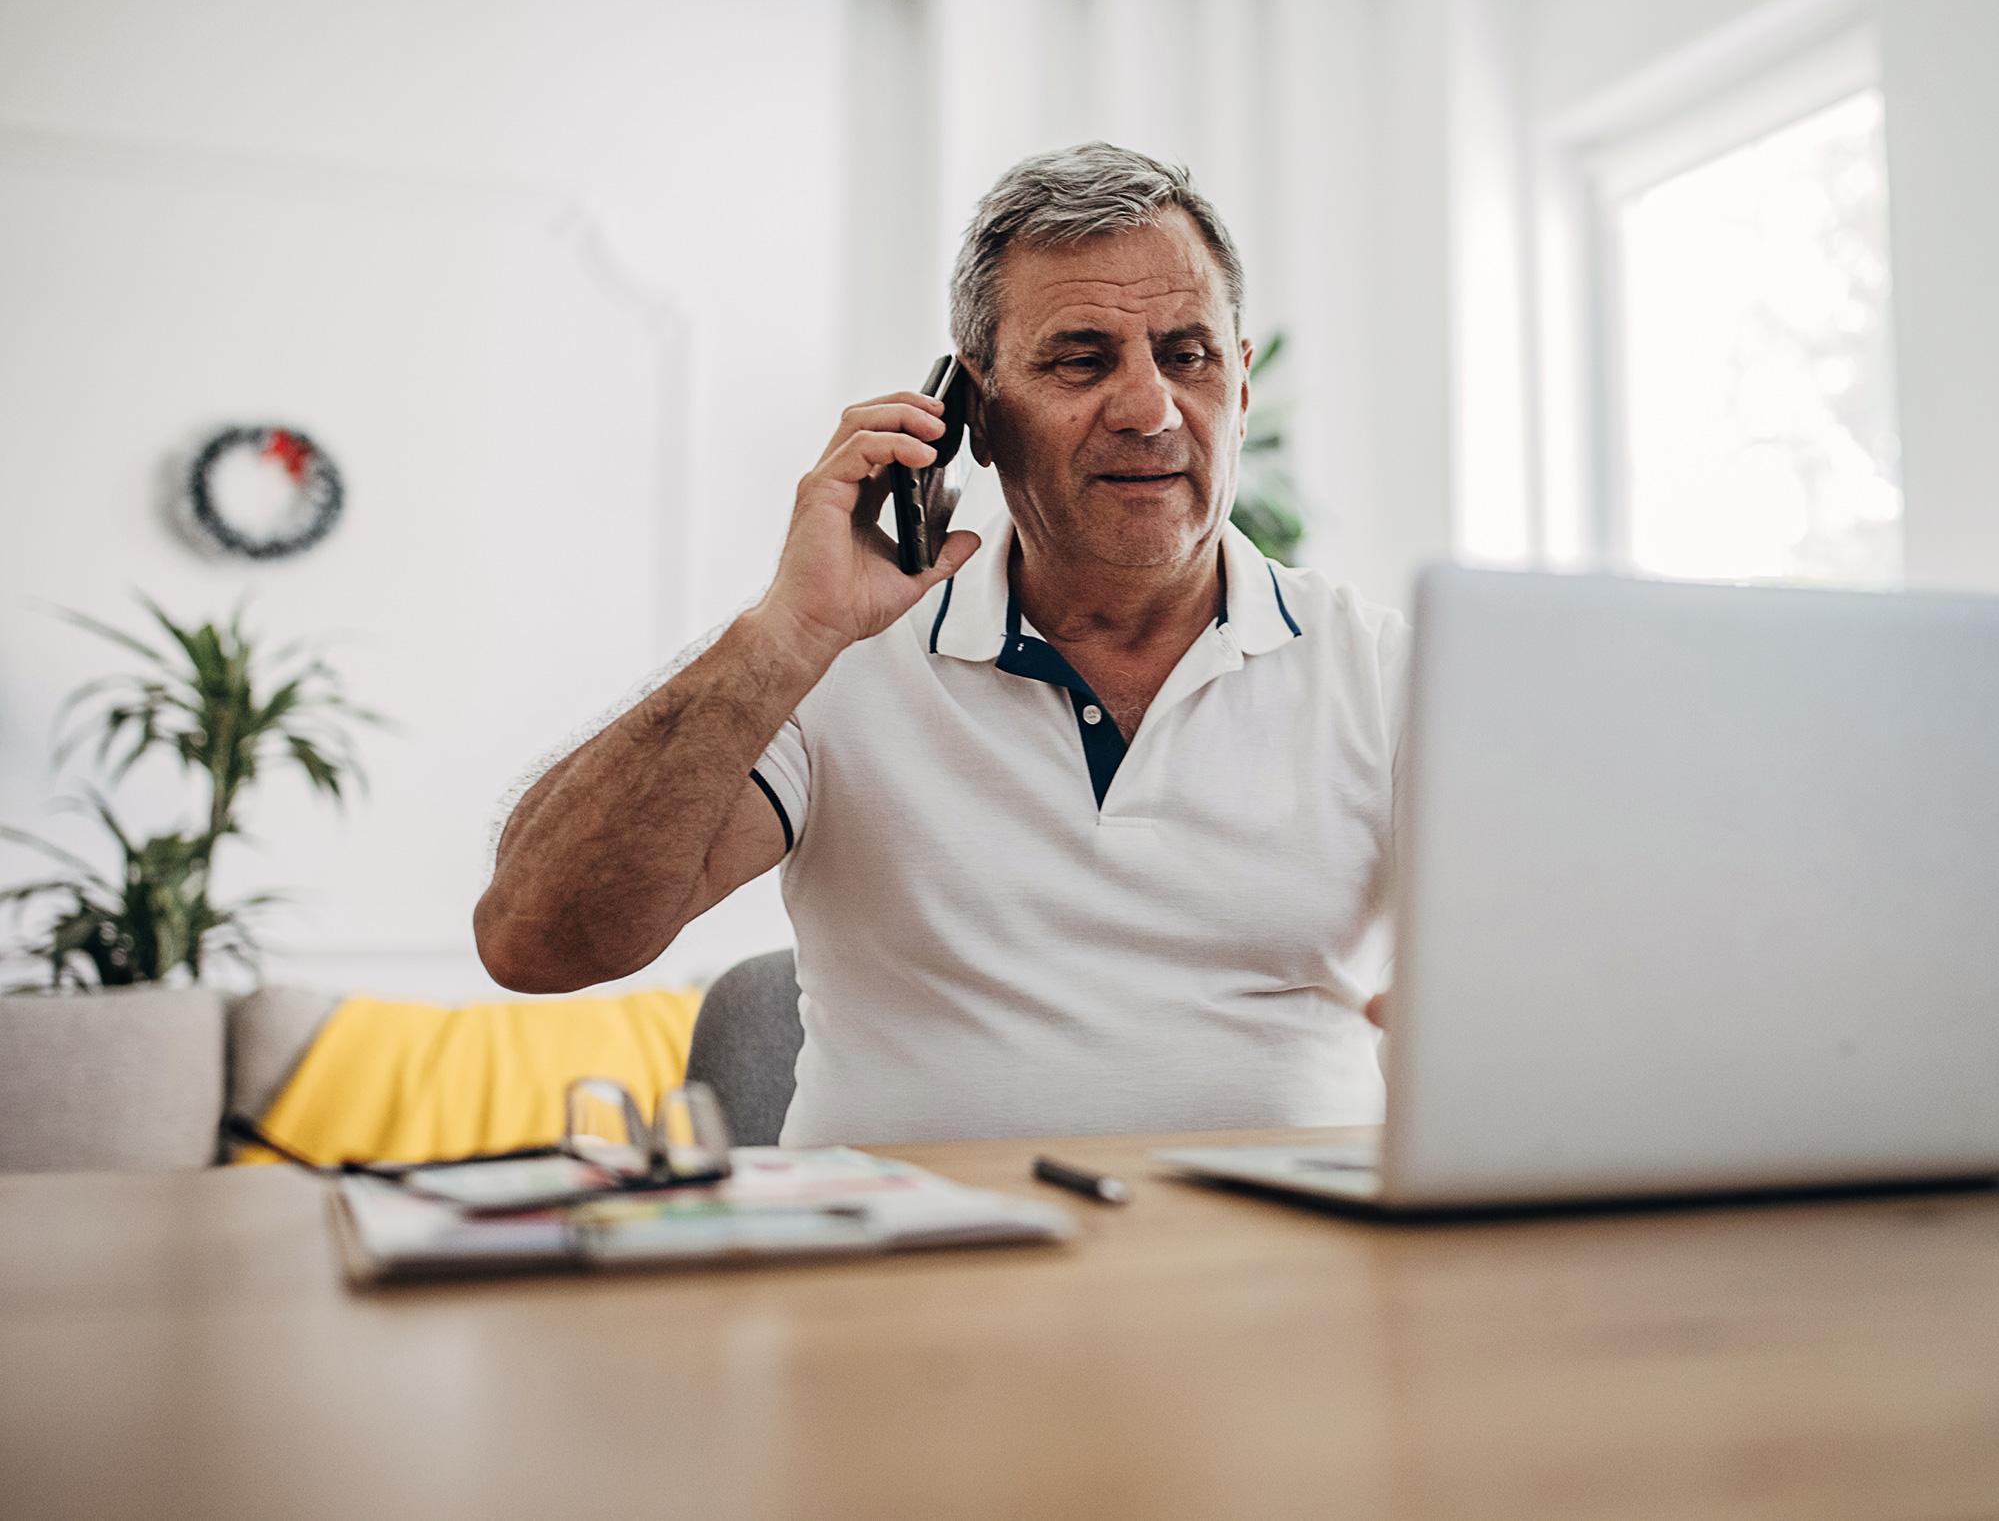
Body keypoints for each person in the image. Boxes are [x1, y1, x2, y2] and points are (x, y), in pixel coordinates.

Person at [475, 143, 1408, 1144]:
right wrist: (786, 631)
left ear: (1241, 383)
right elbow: (538, 939)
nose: (1148, 410)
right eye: (1080, 359)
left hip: (1279, 1282)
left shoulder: (1389, 673)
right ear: (975, 413)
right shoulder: (830, 660)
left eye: (1188, 355)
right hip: (904, 1281)